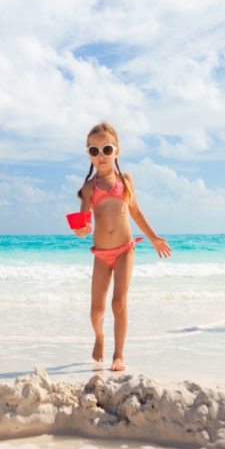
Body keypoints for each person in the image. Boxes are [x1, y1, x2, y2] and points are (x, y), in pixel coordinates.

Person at [72, 121, 171, 371]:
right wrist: (81, 231)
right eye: (94, 151)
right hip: (101, 255)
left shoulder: (125, 180)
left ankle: (119, 355)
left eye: (106, 149)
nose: (101, 155)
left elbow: (135, 212)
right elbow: (84, 224)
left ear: (116, 151)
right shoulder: (87, 188)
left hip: (125, 250)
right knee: (96, 310)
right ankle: (99, 337)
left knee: (119, 303)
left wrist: (154, 238)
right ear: (89, 156)